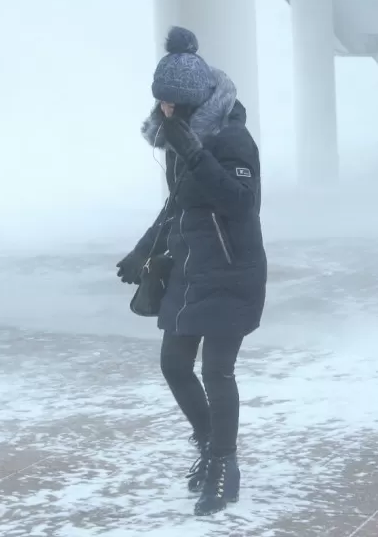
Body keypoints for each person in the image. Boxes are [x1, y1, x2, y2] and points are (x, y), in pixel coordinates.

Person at [116, 26, 267, 516]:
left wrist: (194, 152)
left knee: (217, 370)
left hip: (230, 271)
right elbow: (178, 205)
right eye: (161, 104)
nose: (166, 114)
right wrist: (142, 251)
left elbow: (241, 203)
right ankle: (208, 444)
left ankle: (225, 463)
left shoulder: (232, 139)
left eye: (174, 106)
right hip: (189, 269)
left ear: (196, 102)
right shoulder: (180, 141)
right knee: (174, 365)